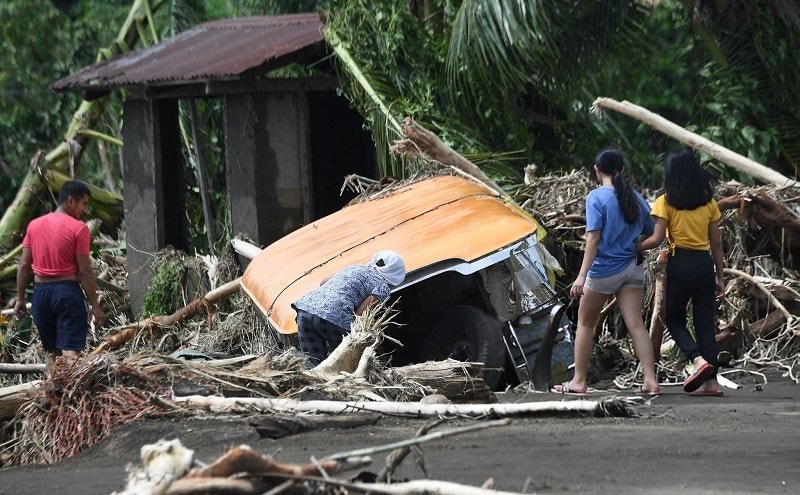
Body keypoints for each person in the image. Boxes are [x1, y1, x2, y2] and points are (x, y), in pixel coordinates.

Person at [554, 148, 659, 395]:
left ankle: (579, 381)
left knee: (585, 323)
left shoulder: (596, 198)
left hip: (605, 270)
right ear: (621, 170)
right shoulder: (636, 198)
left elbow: (592, 239)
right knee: (636, 324)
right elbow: (650, 230)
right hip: (632, 267)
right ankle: (651, 380)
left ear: (596, 169)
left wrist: (581, 276)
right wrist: (633, 243)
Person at [638, 149, 725, 396]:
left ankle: (697, 360)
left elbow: (656, 239)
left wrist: (634, 246)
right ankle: (711, 384)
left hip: (680, 263)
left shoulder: (665, 202)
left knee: (674, 319)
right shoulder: (709, 203)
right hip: (703, 264)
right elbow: (716, 243)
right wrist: (720, 276)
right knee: (705, 323)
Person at [14, 180, 107, 369]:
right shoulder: (79, 229)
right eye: (84, 203)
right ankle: (75, 397)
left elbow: (24, 265)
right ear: (71, 201)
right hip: (66, 294)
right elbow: (85, 271)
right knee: (72, 353)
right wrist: (95, 305)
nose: (84, 209)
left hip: (40, 295)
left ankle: (53, 396)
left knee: (52, 355)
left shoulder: (34, 226)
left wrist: (20, 298)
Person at [292, 250, 406, 367]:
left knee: (313, 366)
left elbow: (323, 282)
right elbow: (359, 315)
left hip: (305, 310)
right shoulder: (382, 287)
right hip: (334, 318)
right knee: (353, 365)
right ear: (396, 273)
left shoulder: (356, 267)